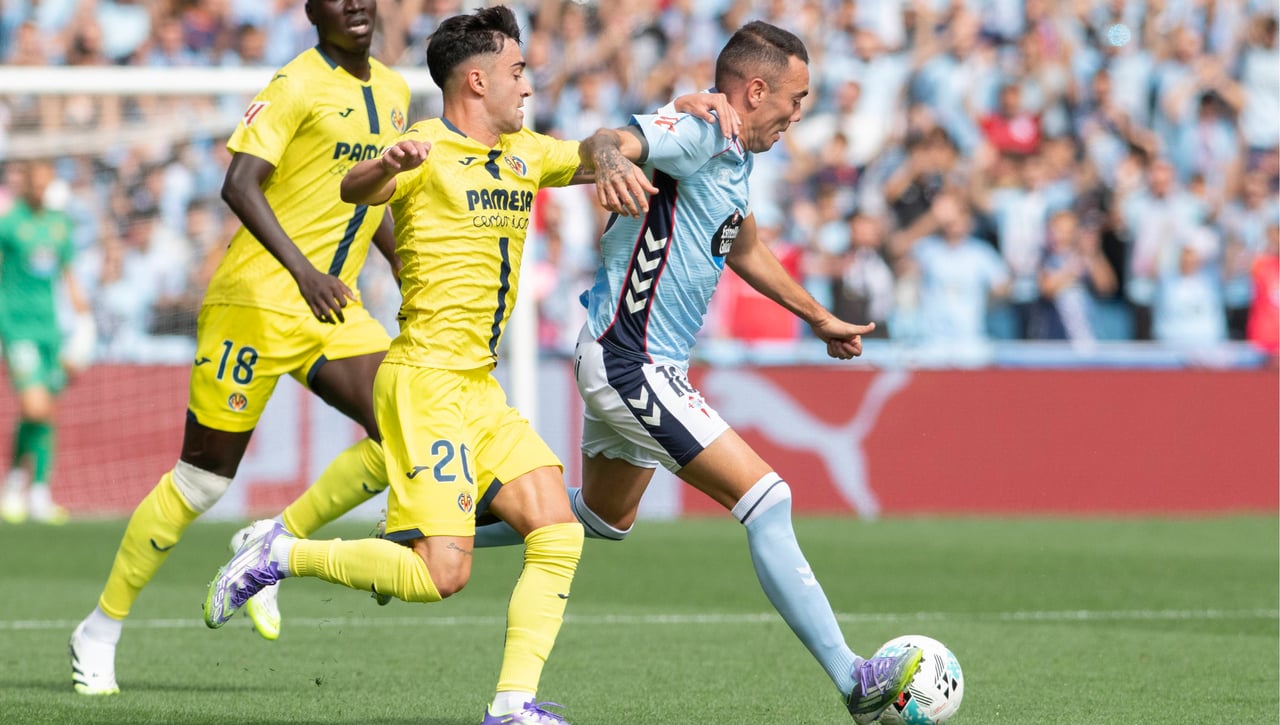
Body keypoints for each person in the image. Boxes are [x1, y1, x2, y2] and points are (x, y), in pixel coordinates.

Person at [201, 7, 725, 724]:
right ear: (476, 81)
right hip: (425, 382)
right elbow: (356, 188)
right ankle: (278, 554)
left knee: (557, 531)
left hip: (478, 387)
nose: (528, 85)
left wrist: (666, 120)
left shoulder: (525, 153)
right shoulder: (424, 147)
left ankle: (511, 706)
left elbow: (598, 146)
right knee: (441, 573)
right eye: (517, 71)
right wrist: (386, 165)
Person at [476, 20, 922, 724]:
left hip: (634, 359)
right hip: (632, 362)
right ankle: (855, 680)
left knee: (601, 516)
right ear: (756, 90)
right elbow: (612, 140)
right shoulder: (700, 129)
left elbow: (742, 244)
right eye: (796, 98)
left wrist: (818, 316)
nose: (798, 114)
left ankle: (426, 529)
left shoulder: (732, 153)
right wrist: (611, 159)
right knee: (768, 500)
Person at [69, 0, 411, 696]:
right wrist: (304, 272)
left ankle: (271, 541)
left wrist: (405, 265)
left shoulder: (396, 89)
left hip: (333, 305)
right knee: (201, 482)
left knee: (406, 424)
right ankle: (99, 629)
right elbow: (238, 183)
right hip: (254, 306)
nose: (355, 3)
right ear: (310, 10)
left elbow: (370, 196)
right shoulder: (294, 83)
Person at [0, 159, 92, 525]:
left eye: (45, 184)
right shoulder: (9, 224)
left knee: (46, 412)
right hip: (16, 327)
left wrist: (83, 318)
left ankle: (36, 491)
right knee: (36, 407)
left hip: (50, 330)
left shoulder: (59, 225)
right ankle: (15, 483)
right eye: (35, 184)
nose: (40, 190)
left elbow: (68, 273)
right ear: (25, 186)